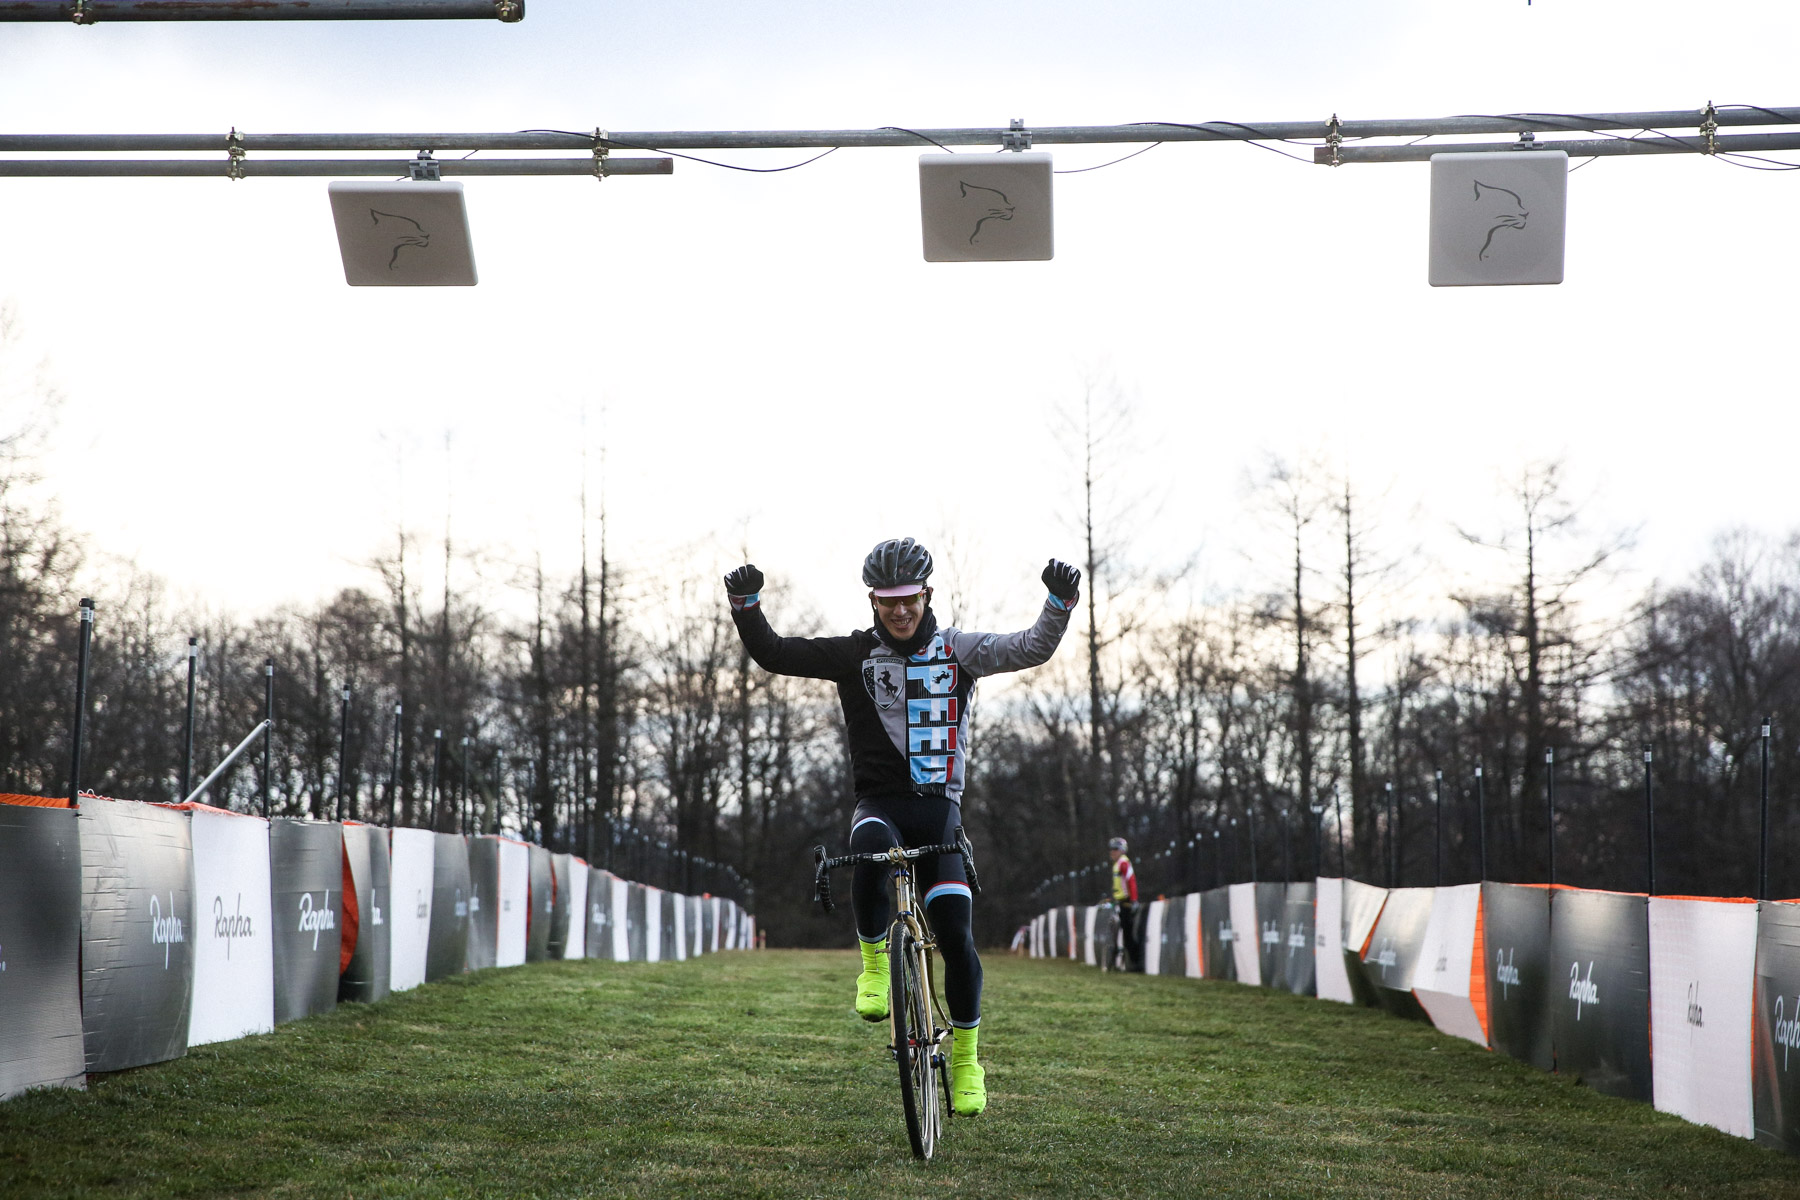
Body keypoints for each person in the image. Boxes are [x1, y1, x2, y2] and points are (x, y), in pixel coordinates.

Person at [724, 537, 1078, 1117]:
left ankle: (966, 1060)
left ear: (926, 595)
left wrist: (1058, 605)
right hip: (880, 808)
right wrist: (746, 606)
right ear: (873, 601)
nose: (900, 610)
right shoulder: (855, 653)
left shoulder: (958, 650)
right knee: (867, 844)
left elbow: (1029, 647)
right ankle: (872, 967)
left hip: (939, 815)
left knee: (957, 939)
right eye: (888, 601)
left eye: (909, 598)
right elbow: (776, 653)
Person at [1109, 836, 1142, 972]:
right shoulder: (1117, 864)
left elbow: (1131, 881)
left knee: (1128, 934)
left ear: (1122, 850)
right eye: (1111, 849)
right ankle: (1127, 962)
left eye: (1115, 849)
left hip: (1126, 902)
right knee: (1123, 934)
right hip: (1121, 901)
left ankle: (1135, 963)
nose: (1112, 852)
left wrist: (1133, 900)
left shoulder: (1123, 863)